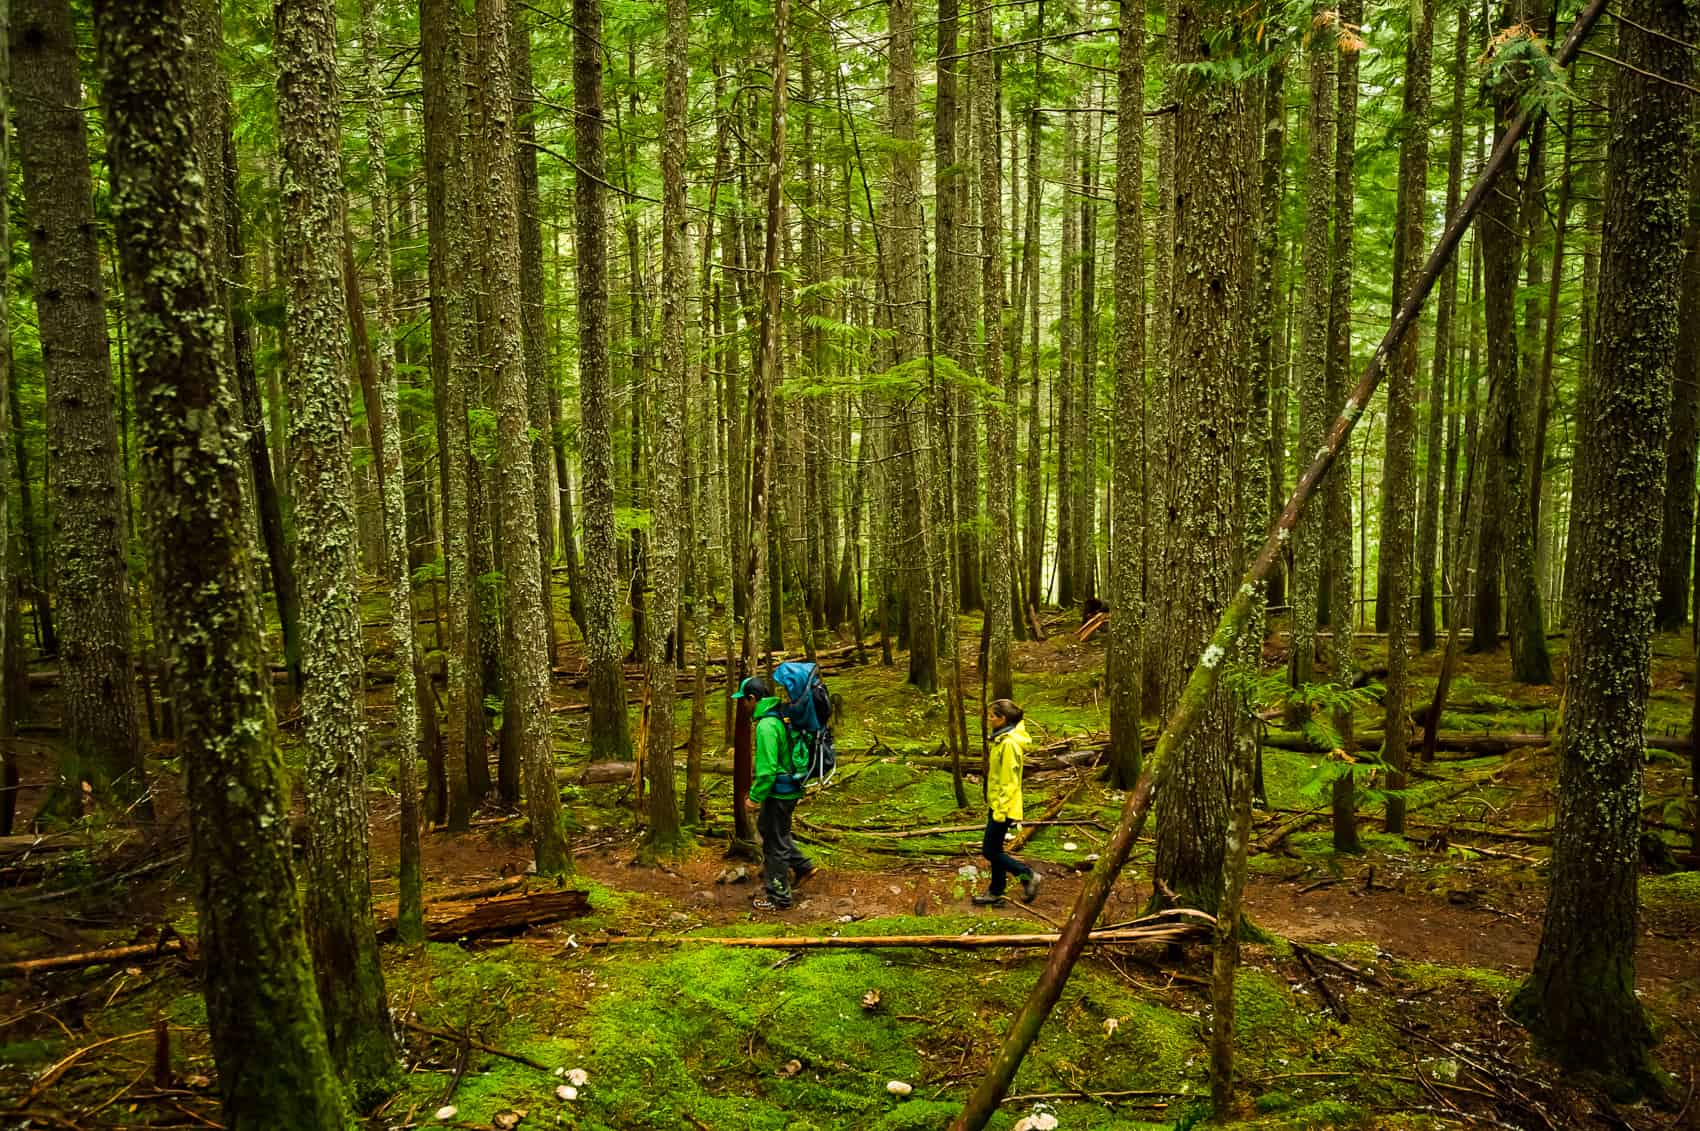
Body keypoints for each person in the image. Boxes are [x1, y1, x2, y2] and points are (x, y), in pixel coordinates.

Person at [735, 675, 816, 910]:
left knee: (774, 843)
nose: (744, 706)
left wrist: (754, 798)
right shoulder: (778, 715)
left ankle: (778, 897)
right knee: (769, 830)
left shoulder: (766, 726)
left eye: (744, 701)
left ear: (752, 699)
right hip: (788, 788)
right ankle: (803, 866)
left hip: (779, 792)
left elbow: (767, 770)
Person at [973, 698, 1041, 906]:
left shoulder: (1009, 744)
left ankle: (1028, 876)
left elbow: (1010, 782)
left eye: (993, 716)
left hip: (1004, 806)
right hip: (998, 803)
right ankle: (996, 891)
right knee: (996, 850)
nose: (989, 719)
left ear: (1003, 719)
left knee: (990, 851)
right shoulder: (1001, 739)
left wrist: (1000, 810)